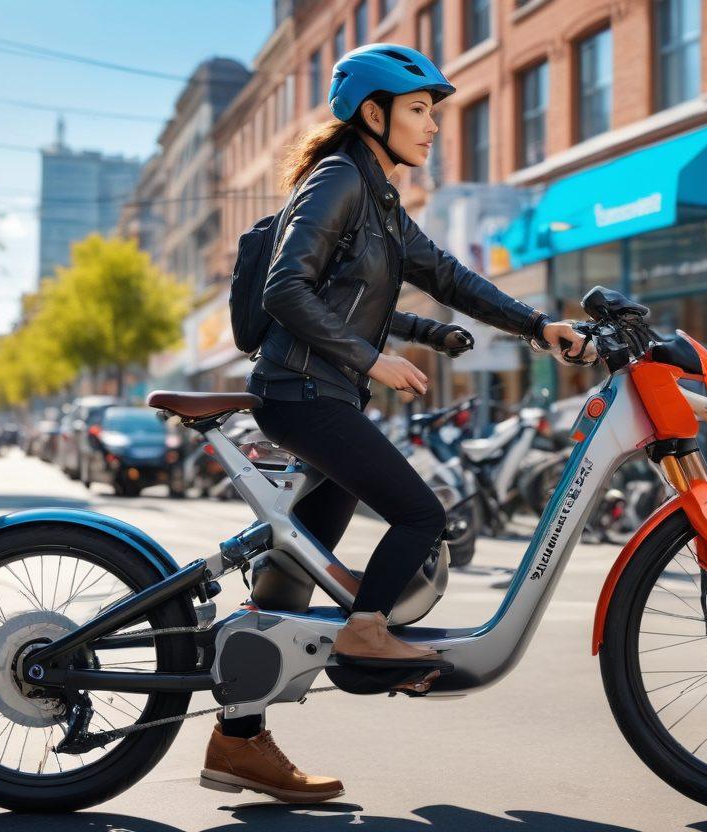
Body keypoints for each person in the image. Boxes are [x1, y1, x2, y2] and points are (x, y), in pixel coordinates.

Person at [200, 42, 597, 804]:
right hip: (303, 393)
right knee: (422, 517)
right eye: (419, 110)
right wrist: (373, 359)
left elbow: (443, 277)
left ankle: (237, 740)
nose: (433, 125)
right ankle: (366, 633)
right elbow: (288, 289)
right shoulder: (339, 178)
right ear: (373, 114)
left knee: (292, 568)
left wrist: (536, 324)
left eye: (434, 112)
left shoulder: (377, 198)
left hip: (323, 393)